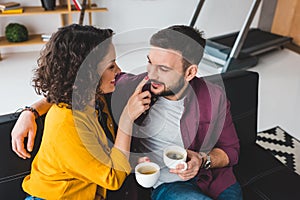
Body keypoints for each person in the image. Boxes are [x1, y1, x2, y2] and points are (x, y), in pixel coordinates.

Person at [12, 25, 242, 200]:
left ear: (190, 72)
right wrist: (30, 111)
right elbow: (69, 85)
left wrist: (202, 160)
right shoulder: (129, 87)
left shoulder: (213, 97)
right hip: (164, 185)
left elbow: (231, 150)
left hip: (213, 178)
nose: (150, 74)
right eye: (149, 62)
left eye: (163, 69)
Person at [18, 24, 151, 200]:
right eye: (111, 66)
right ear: (88, 74)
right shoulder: (66, 124)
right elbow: (113, 178)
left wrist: (32, 111)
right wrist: (127, 118)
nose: (118, 71)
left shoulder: (92, 98)